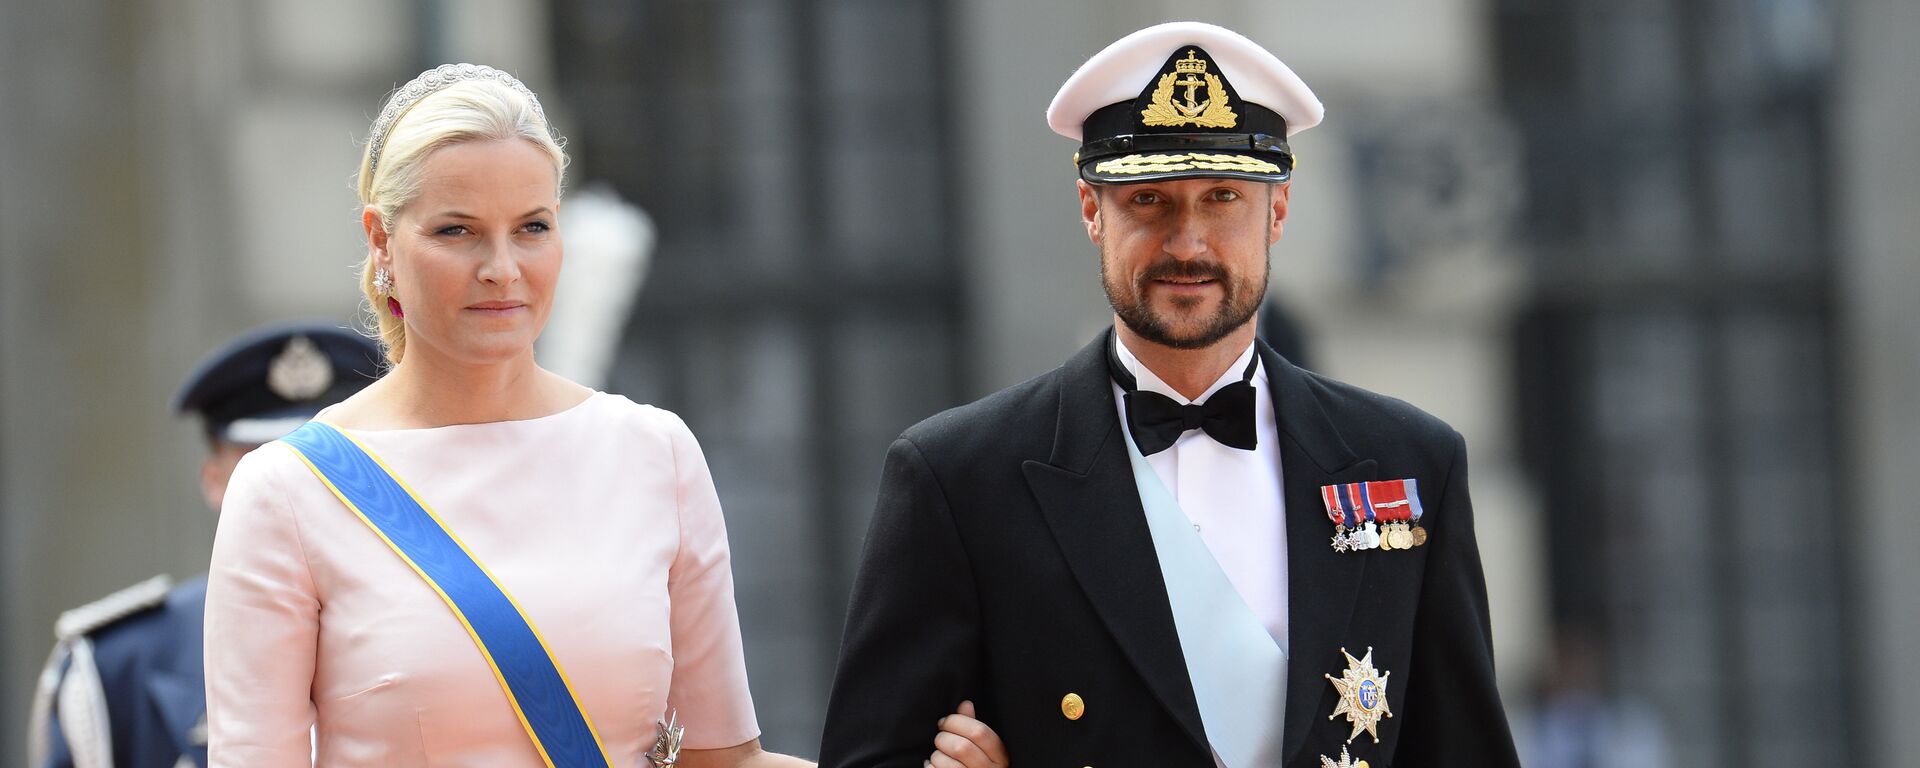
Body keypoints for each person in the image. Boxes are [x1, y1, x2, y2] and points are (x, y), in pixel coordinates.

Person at [201, 64, 1002, 768]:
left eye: (533, 229)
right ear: (382, 239)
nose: (502, 270)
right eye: (457, 232)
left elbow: (722, 764)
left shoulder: (653, 452)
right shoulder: (288, 491)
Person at [820, 22, 1520, 768]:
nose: (1187, 243)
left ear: (1277, 212)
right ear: (1092, 210)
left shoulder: (1411, 463)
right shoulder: (958, 480)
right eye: (1148, 200)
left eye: (1222, 198)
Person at [27, 324, 383, 768]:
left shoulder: (450, 625)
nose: (297, 484)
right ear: (213, 481)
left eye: (325, 456)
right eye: (263, 461)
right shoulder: (116, 669)